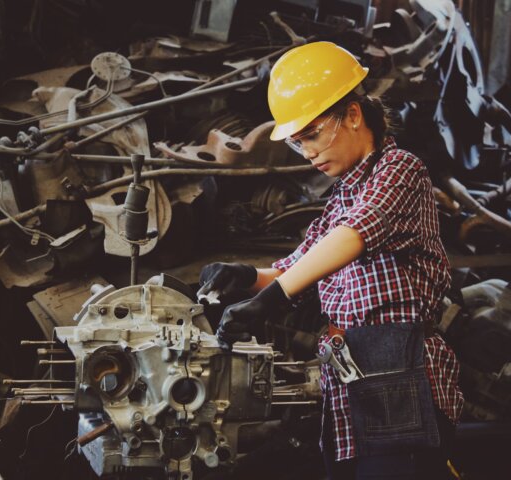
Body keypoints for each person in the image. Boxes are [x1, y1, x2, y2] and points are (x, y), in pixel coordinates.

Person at [197, 41, 464, 480]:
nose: (308, 153)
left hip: (400, 376)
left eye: (313, 134)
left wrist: (274, 298)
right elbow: (295, 267)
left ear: (354, 115)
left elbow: (355, 234)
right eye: (299, 142)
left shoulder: (399, 169)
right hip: (349, 380)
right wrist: (244, 277)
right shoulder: (341, 198)